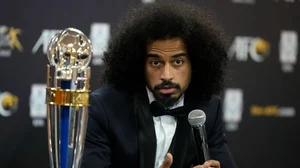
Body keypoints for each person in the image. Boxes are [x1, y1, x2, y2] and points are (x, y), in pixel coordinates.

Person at [81, 1, 236, 168]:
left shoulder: (208, 109)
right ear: (139, 63)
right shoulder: (104, 108)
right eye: (156, 63)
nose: (166, 75)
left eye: (177, 62)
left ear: (196, 63)